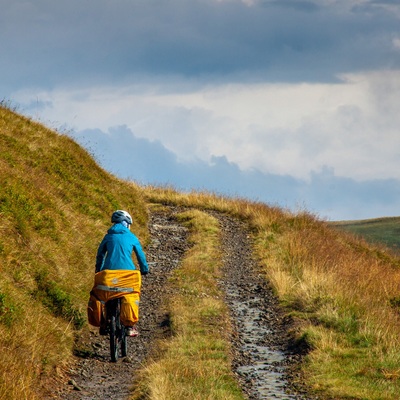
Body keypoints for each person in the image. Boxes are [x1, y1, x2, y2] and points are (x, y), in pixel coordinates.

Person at [95, 210, 149, 337]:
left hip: (108, 274)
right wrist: (144, 269)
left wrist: (98, 270)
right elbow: (140, 256)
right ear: (127, 223)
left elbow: (100, 255)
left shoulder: (108, 236)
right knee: (130, 295)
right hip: (128, 274)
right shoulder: (132, 237)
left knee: (107, 295)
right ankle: (129, 326)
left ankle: (105, 322)